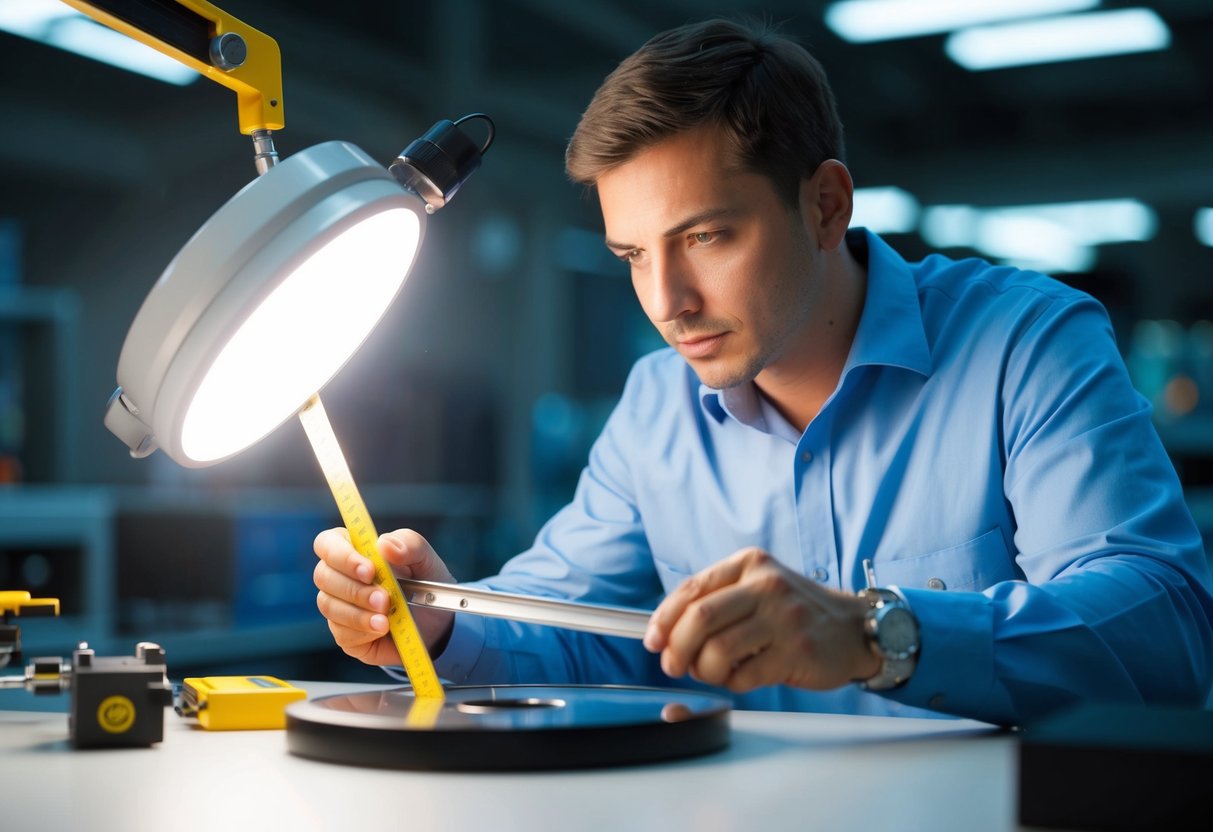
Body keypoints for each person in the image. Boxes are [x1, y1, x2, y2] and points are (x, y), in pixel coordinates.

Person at [312, 18, 1213, 725]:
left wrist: (876, 634)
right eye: (632, 253)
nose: (666, 300)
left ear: (824, 205)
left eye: (704, 237)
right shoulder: (656, 406)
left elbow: (1164, 631)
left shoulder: (1027, 343)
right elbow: (577, 631)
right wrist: (437, 617)